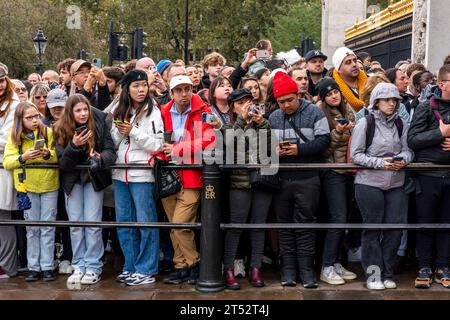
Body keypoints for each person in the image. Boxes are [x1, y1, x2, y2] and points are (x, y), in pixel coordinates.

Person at [269, 72, 330, 288]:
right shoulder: (274, 117)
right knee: (284, 226)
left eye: (289, 100)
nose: (286, 105)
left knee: (306, 225)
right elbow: (266, 146)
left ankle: (307, 271)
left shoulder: (314, 112)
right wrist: (275, 150)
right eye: (281, 102)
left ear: (297, 95)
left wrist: (298, 150)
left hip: (308, 177)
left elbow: (324, 141)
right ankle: (288, 271)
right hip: (282, 179)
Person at [350, 83, 413, 290]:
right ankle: (373, 274)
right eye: (387, 99)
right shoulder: (365, 123)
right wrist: (380, 163)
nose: (392, 103)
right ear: (376, 101)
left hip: (396, 182)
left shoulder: (402, 123)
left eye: (395, 100)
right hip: (369, 183)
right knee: (373, 229)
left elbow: (408, 150)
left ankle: (387, 273)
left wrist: (402, 159)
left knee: (394, 229)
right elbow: (356, 155)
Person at [53, 94, 116, 286]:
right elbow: (62, 162)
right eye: (78, 110)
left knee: (92, 223)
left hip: (92, 179)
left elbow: (110, 151)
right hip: (72, 182)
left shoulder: (99, 123)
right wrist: (74, 145)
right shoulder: (59, 128)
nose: (82, 113)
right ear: (70, 112)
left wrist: (99, 159)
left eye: (85, 109)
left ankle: (93, 265)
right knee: (75, 224)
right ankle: (78, 263)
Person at [160, 75, 215, 284]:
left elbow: (209, 139)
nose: (184, 94)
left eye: (188, 89)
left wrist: (178, 149)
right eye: (179, 90)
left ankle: (194, 262)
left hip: (191, 175)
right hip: (168, 175)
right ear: (171, 93)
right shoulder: (162, 111)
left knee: (180, 224)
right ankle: (181, 266)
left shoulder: (204, 110)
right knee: (176, 226)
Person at [111, 70, 164, 286]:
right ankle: (130, 265)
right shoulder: (118, 108)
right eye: (136, 86)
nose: (141, 90)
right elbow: (112, 141)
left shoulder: (153, 110)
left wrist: (133, 131)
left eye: (144, 85)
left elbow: (157, 144)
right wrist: (120, 131)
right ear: (127, 88)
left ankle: (146, 268)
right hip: (119, 172)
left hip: (142, 172)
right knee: (124, 223)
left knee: (146, 221)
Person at [222, 89, 272, 289]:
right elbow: (230, 144)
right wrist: (243, 121)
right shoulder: (228, 126)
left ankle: (256, 268)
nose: (245, 106)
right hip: (239, 182)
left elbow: (271, 147)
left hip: (263, 180)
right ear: (232, 107)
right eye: (240, 102)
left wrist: (262, 123)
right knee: (236, 226)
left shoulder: (263, 123)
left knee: (259, 226)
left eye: (249, 101)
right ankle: (229, 269)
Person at [3, 101, 59, 282]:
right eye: (30, 117)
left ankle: (48, 266)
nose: (35, 120)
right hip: (26, 187)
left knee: (48, 227)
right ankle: (34, 267)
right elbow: (7, 162)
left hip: (49, 184)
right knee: (32, 229)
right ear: (20, 120)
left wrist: (47, 155)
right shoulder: (15, 137)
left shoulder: (48, 133)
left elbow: (58, 156)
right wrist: (23, 157)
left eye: (36, 116)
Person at [407, 64, 450, 289]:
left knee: (447, 223)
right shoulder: (426, 107)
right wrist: (439, 134)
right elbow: (412, 140)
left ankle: (443, 265)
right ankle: (424, 266)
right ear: (441, 84)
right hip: (428, 174)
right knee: (425, 223)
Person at [315, 77, 357, 285]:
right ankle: (327, 266)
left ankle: (338, 262)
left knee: (345, 219)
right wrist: (338, 133)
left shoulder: (349, 110)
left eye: (336, 92)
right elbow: (323, 149)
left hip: (350, 170)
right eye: (329, 94)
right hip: (332, 171)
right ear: (323, 98)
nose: (334, 96)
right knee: (337, 218)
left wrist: (352, 129)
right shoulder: (320, 114)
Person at [0, 64, 20, 278]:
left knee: (3, 218)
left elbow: (7, 138)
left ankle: (7, 265)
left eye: (2, 81)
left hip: (3, 167)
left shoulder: (14, 105)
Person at [331, 47, 368, 113]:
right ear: (339, 69)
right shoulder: (334, 91)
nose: (354, 64)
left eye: (355, 60)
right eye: (348, 62)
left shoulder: (370, 81)